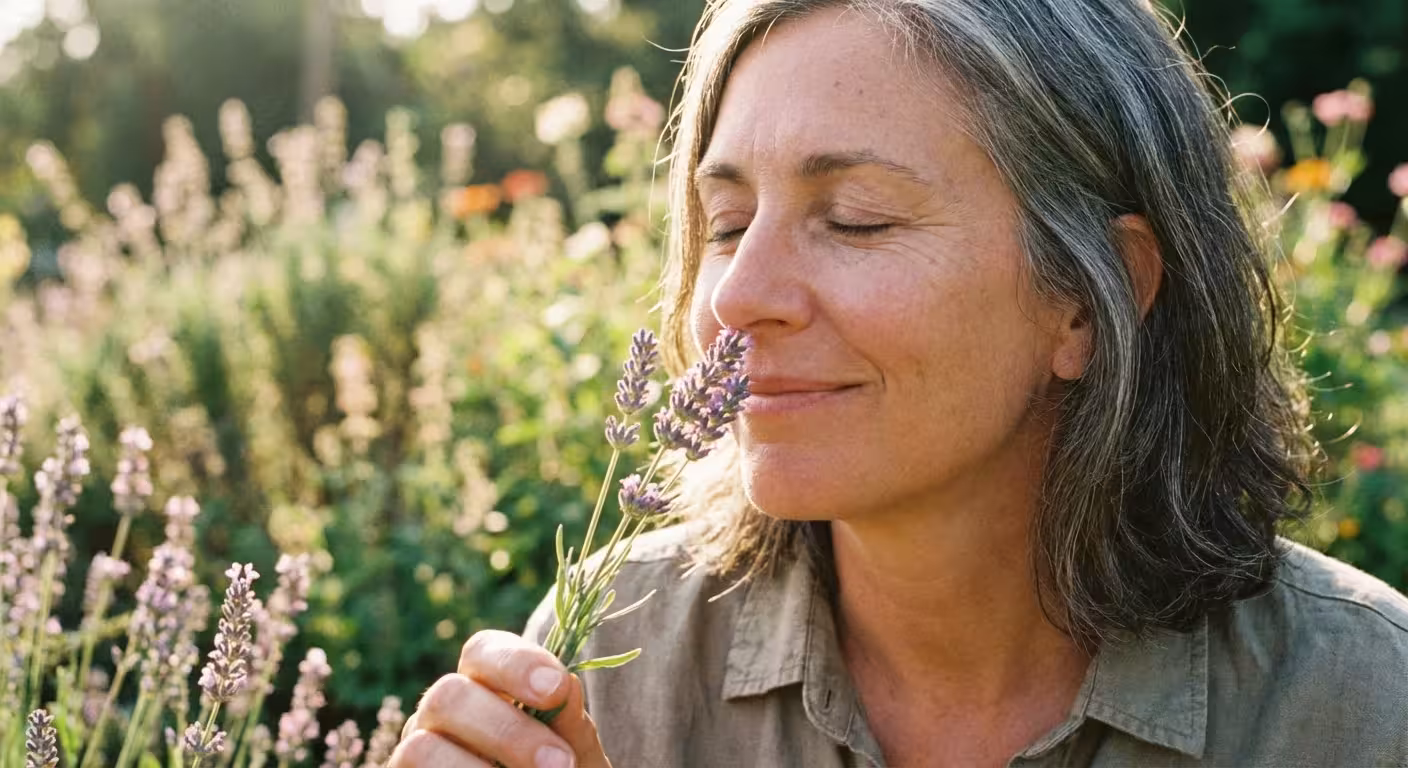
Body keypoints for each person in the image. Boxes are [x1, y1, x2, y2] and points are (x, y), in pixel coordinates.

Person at [391, 0, 1408, 765]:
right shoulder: (618, 648)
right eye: (728, 224)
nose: (738, 298)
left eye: (857, 219)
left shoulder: (1363, 706)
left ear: (1087, 303)